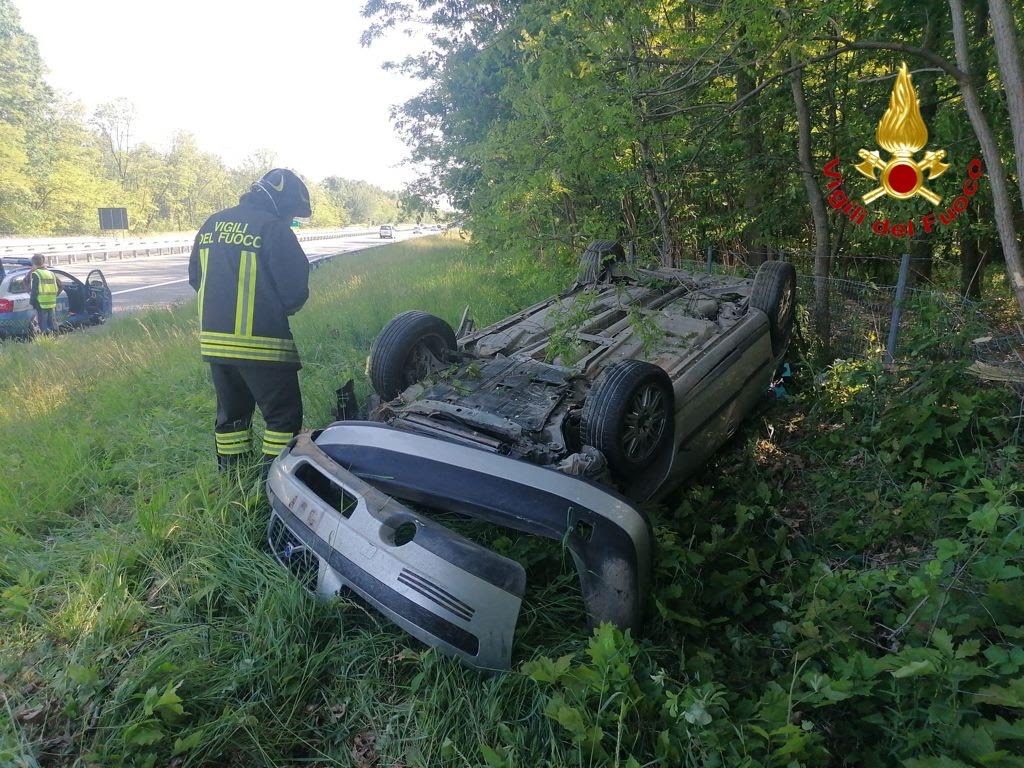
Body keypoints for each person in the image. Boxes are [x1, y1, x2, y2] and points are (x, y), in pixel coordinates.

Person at [188, 168, 312, 473]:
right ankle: (275, 482)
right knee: (282, 418)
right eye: (293, 216)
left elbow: (196, 278)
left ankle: (235, 482)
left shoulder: (211, 224)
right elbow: (294, 291)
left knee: (232, 418)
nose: (291, 222)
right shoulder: (273, 229)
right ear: (280, 204)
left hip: (216, 344)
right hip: (265, 344)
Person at [29, 254, 59, 335]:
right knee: (52, 322)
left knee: (43, 324)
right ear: (43, 262)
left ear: (34, 263)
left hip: (41, 302)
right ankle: (56, 338)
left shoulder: (36, 274)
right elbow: (59, 286)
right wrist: (53, 296)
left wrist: (32, 302)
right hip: (51, 302)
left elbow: (35, 290)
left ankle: (47, 340)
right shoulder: (51, 273)